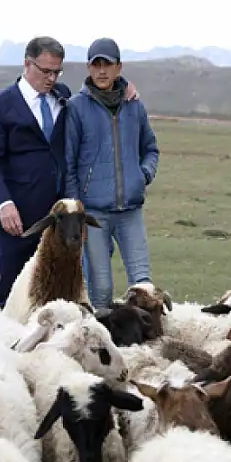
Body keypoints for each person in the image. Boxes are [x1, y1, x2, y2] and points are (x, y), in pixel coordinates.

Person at [0, 37, 140, 308]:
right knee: (14, 293)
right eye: (45, 71)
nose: (52, 78)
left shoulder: (64, 97)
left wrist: (125, 89)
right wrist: (3, 204)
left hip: (59, 222)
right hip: (17, 218)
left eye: (57, 71)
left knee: (61, 294)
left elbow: (96, 95)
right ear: (27, 64)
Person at [64, 37, 159, 310]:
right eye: (96, 65)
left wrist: (142, 175)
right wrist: (76, 211)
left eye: (108, 64)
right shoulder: (76, 108)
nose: (102, 71)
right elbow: (69, 162)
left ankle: (145, 349)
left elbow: (151, 148)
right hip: (94, 215)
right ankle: (103, 348)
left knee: (143, 285)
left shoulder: (134, 106)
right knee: (101, 290)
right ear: (88, 68)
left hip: (131, 211)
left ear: (119, 67)